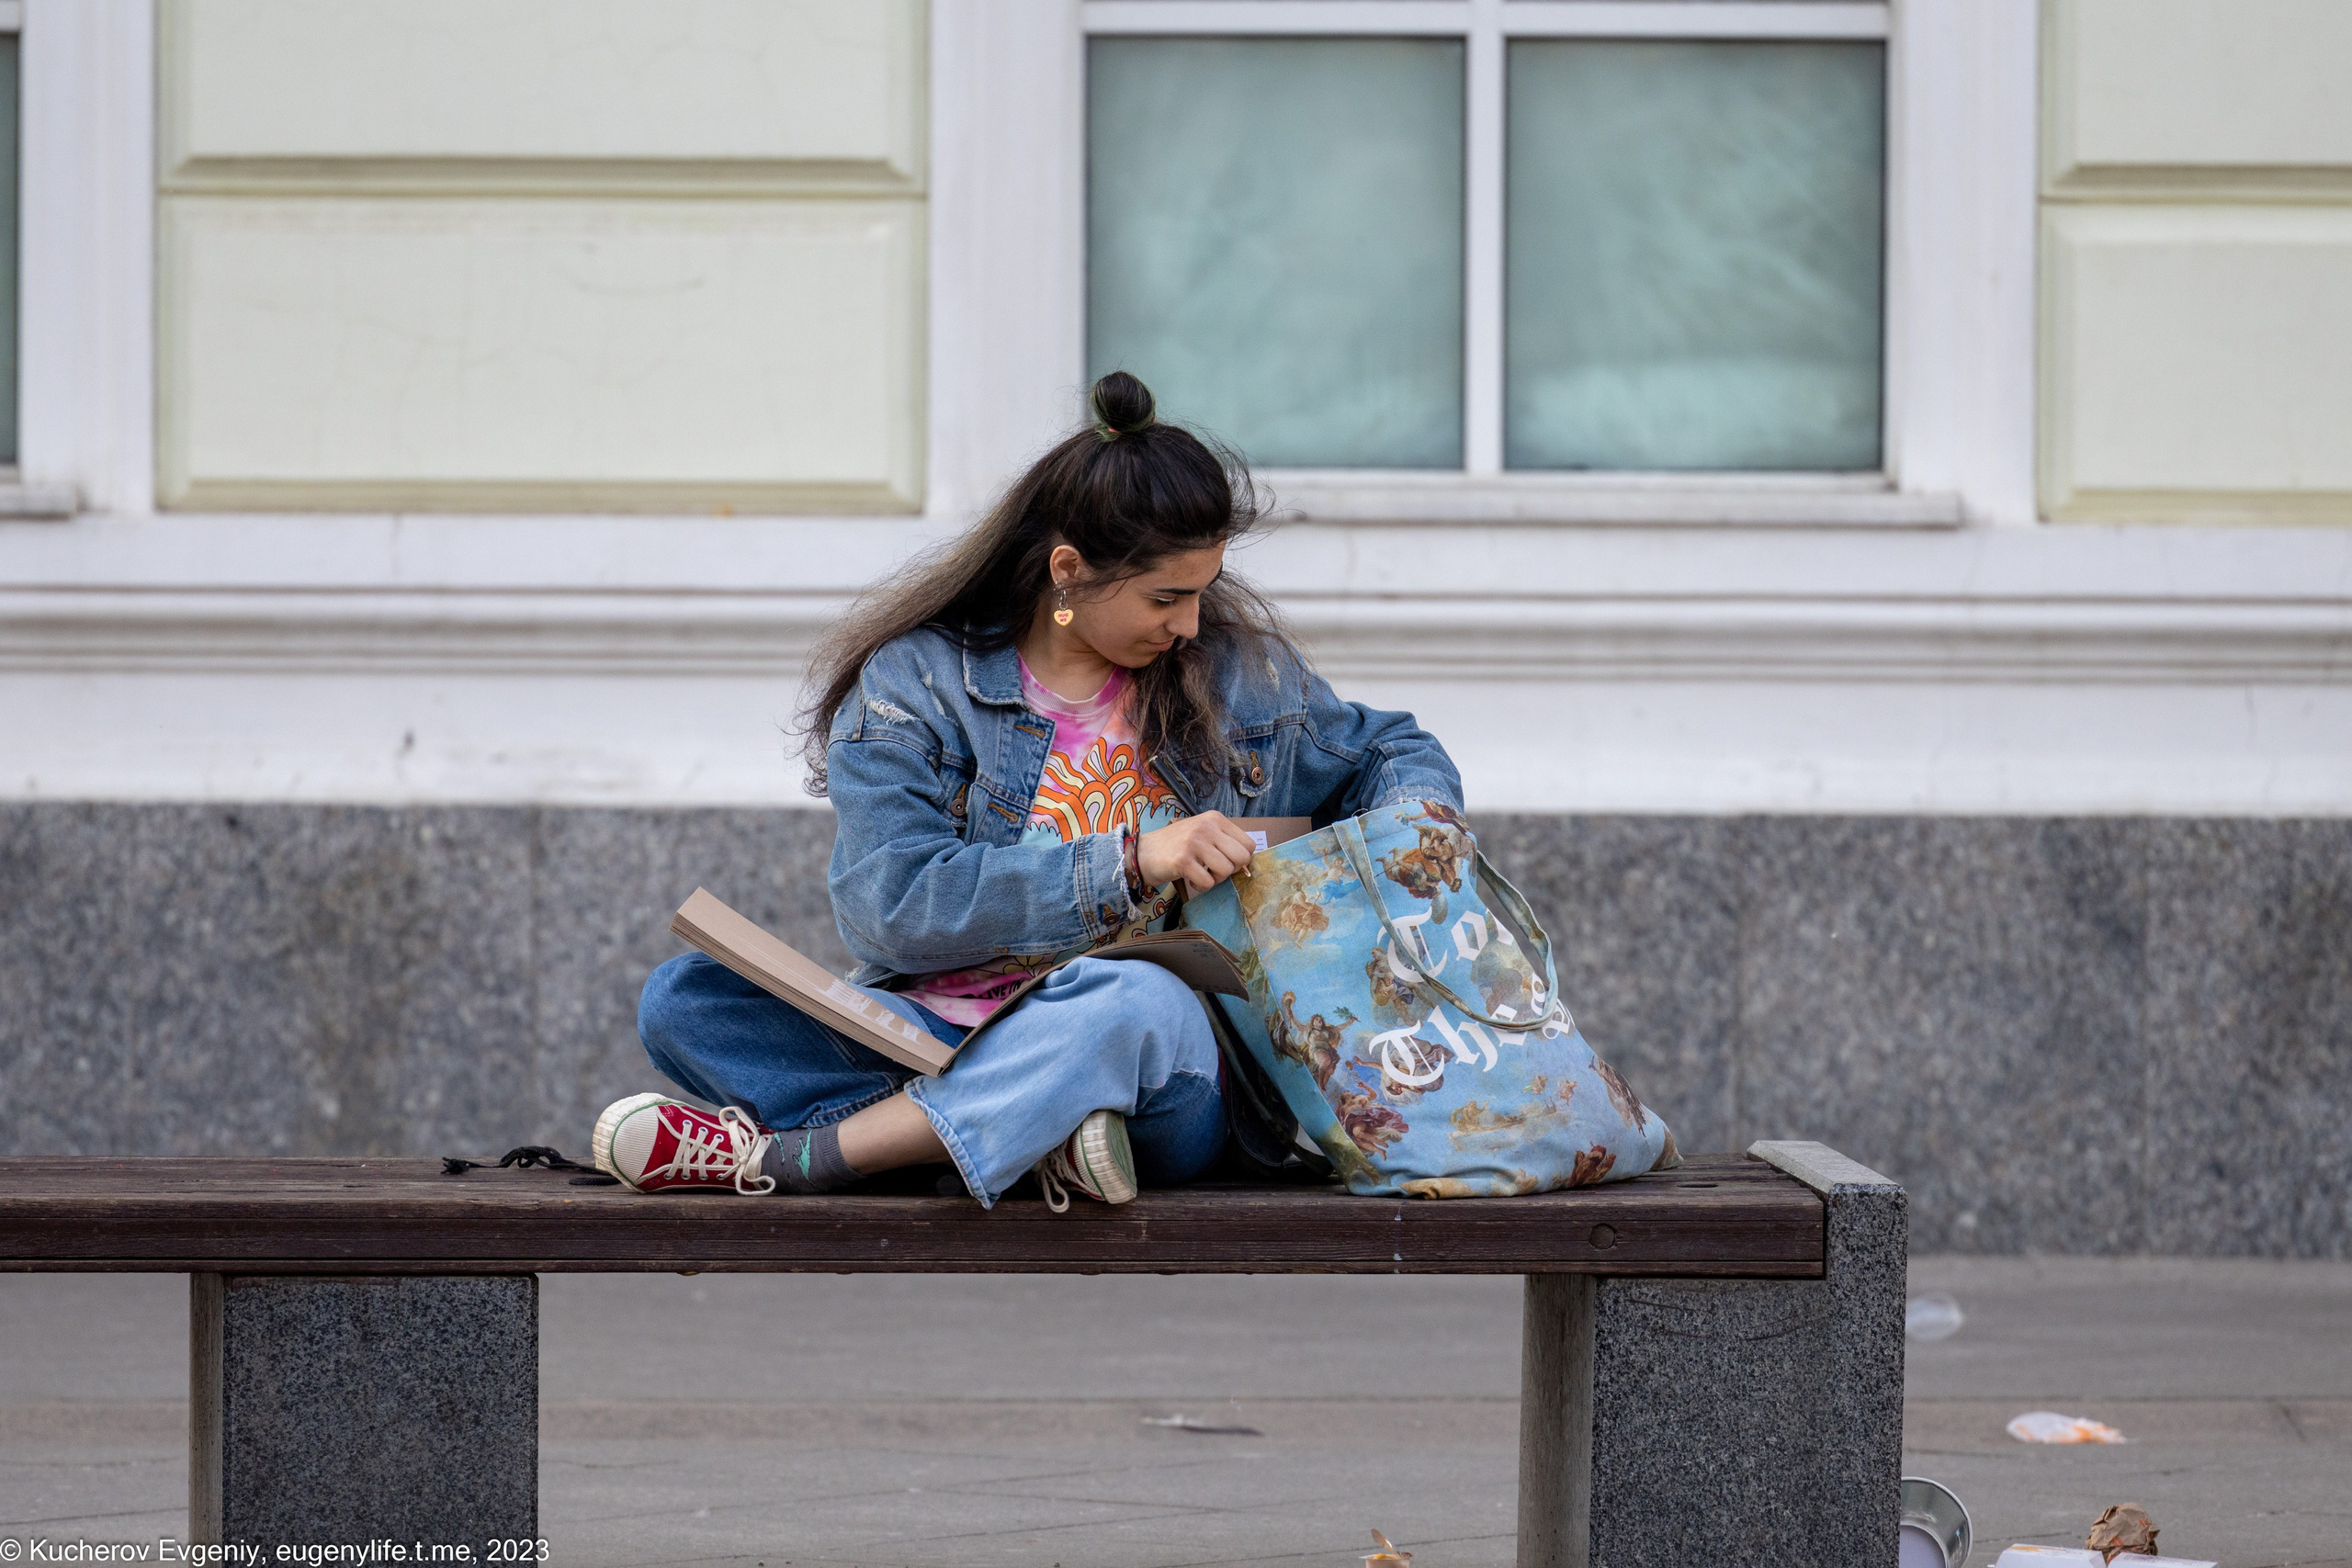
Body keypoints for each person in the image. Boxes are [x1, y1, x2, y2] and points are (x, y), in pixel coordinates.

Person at [596, 372, 1463, 1208]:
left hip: (1171, 1065)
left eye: (1203, 592)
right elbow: (891, 906)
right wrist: (1127, 862)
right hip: (941, 1038)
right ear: (1069, 569)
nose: (1192, 623)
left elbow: (1391, 748)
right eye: (1166, 596)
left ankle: (810, 1156)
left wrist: (1421, 843)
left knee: (1129, 999)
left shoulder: (1233, 679)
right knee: (685, 997)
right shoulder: (917, 684)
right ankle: (1046, 1138)